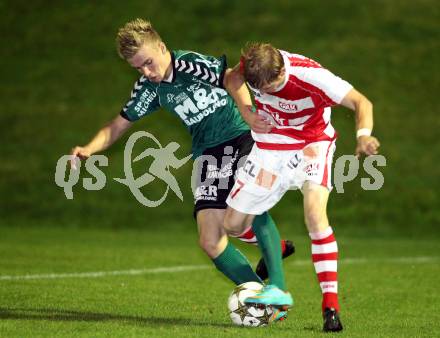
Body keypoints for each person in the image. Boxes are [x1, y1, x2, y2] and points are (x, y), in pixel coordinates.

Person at [69, 19, 294, 316]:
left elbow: (232, 79)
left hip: (240, 136)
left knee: (250, 202)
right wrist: (88, 148)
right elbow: (116, 126)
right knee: (210, 240)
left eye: (149, 62)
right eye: (138, 68)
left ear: (161, 47)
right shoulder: (148, 88)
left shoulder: (189, 64)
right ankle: (266, 306)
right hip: (209, 154)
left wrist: (247, 113)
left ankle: (277, 286)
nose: (147, 72)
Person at [221, 42, 380, 332]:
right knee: (232, 225)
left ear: (281, 69)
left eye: (274, 84)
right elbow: (231, 79)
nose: (270, 92)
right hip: (271, 147)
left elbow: (362, 102)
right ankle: (276, 248)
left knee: (314, 215)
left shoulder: (311, 77)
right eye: (264, 89)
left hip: (312, 145)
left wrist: (363, 135)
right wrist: (247, 113)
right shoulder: (252, 66)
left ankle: (330, 306)